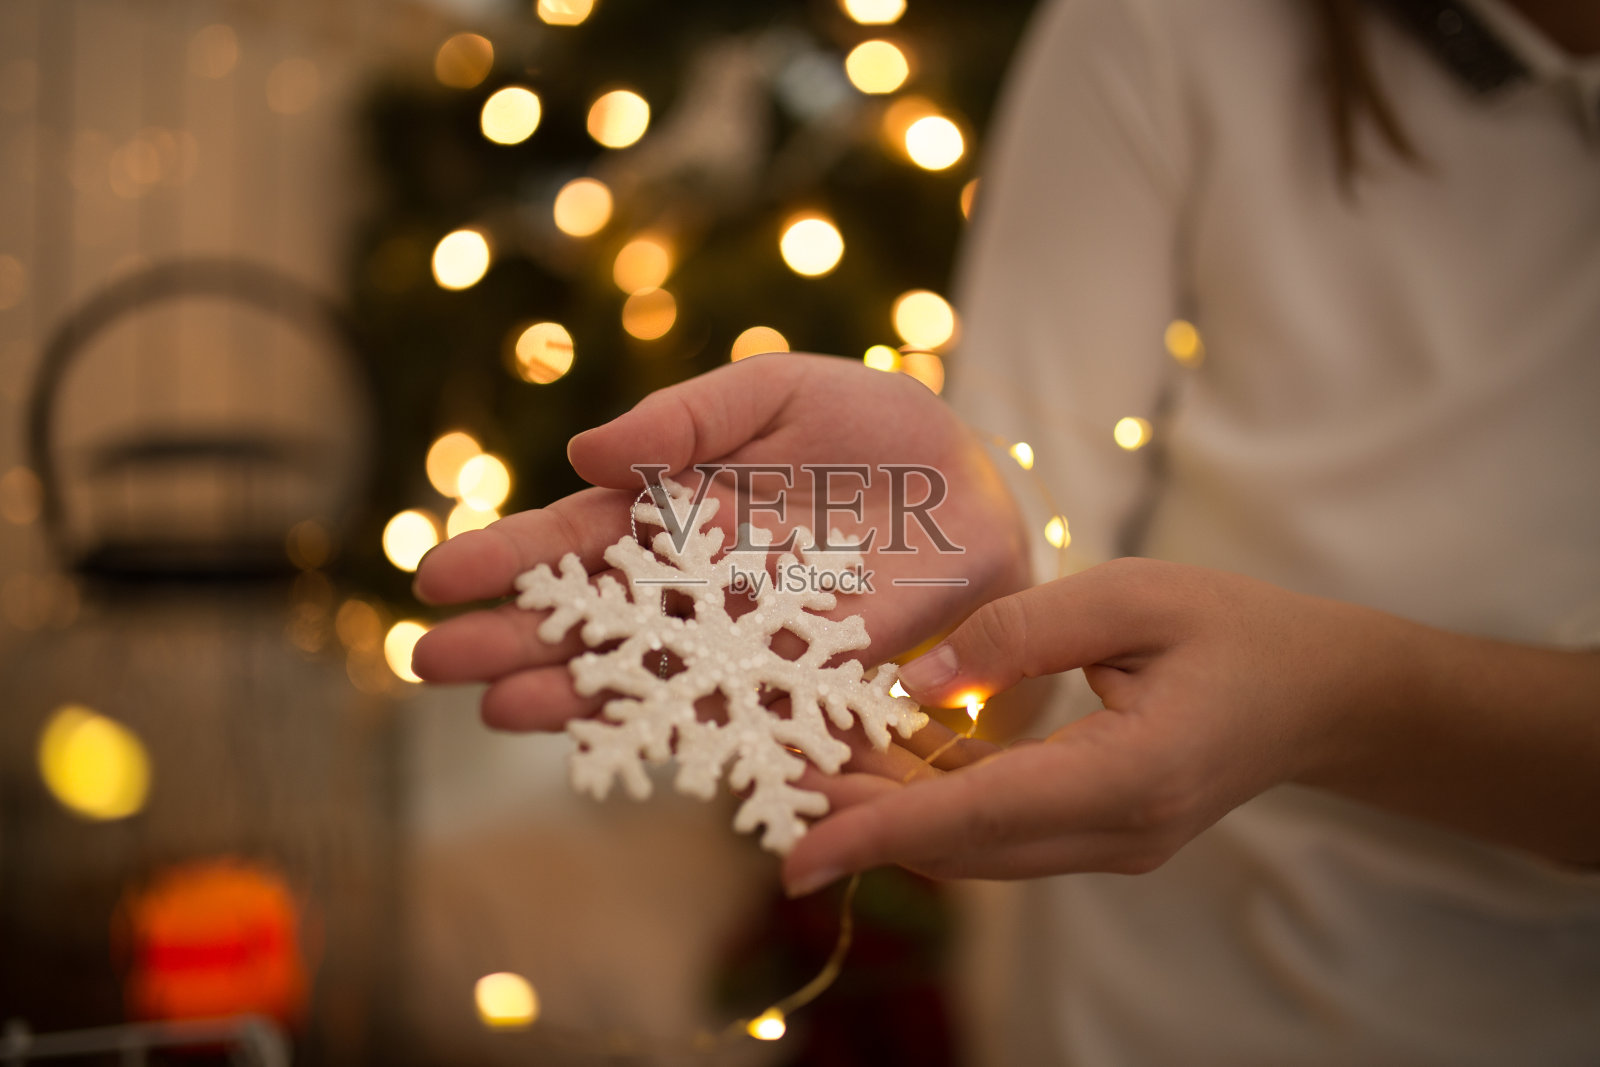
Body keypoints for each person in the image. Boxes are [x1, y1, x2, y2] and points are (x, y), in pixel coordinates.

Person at [412, 0, 1600, 1061]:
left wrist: (1330, 695)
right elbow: (1023, 537)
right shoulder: (1174, 28)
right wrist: (980, 578)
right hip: (1146, 1013)